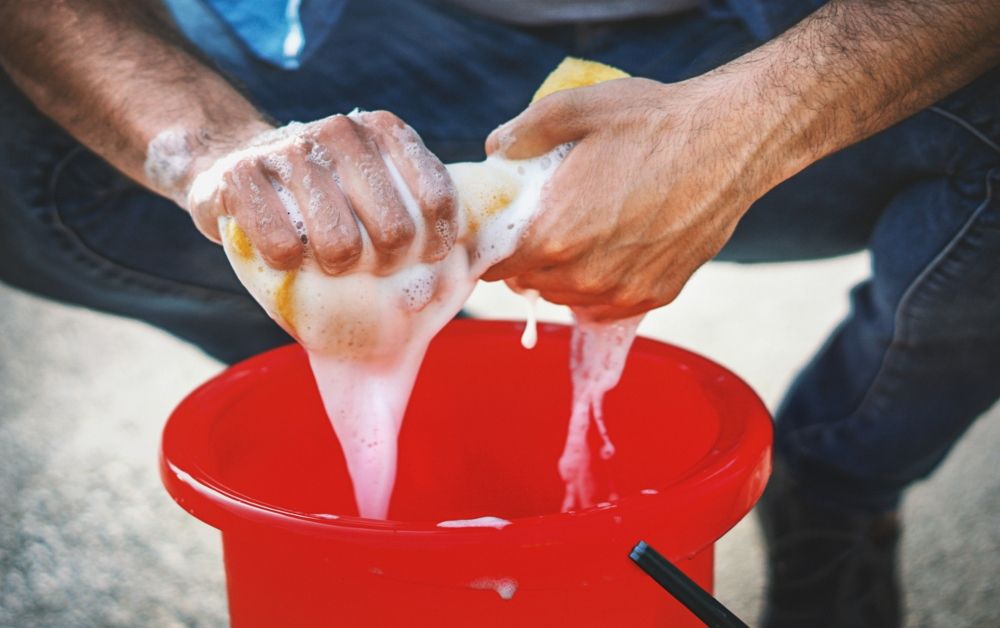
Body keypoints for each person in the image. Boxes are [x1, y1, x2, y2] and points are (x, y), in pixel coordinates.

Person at [0, 1, 996, 625]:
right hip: (358, 34)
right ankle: (421, 387)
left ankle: (839, 482)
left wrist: (745, 127)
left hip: (788, 35)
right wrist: (213, 152)